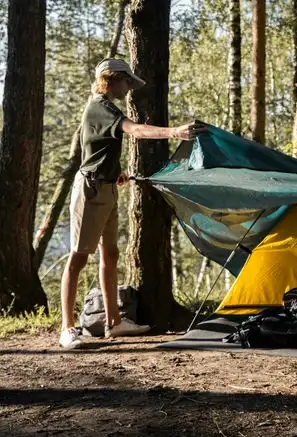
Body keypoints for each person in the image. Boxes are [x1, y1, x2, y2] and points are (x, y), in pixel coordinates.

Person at [59, 58, 205, 350]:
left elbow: (99, 149)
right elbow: (136, 131)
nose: (128, 88)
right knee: (78, 257)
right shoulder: (100, 105)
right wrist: (174, 132)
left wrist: (116, 174)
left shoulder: (108, 107)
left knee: (110, 254)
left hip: (108, 187)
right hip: (90, 192)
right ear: (111, 79)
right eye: (126, 82)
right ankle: (68, 329)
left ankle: (113, 323)